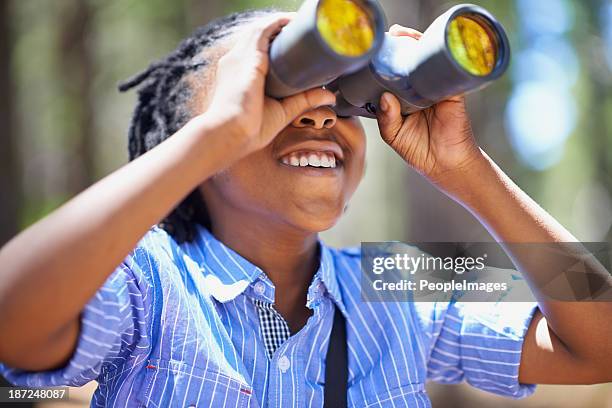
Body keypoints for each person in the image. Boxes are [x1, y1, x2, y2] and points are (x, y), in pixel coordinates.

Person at [0, 10, 610, 408]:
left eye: (344, 95)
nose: (317, 113)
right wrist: (217, 136)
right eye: (274, 91)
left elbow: (601, 342)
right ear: (194, 133)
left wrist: (468, 171)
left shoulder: (394, 280)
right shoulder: (149, 283)